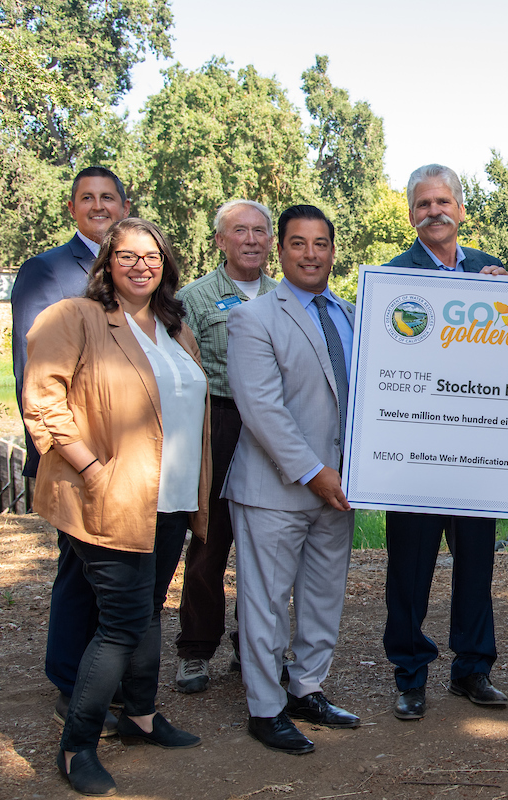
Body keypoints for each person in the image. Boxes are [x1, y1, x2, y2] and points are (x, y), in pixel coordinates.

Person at [23, 218, 209, 796]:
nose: (140, 265)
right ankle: (77, 744)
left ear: (165, 264)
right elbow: (43, 394)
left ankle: (140, 715)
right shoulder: (75, 317)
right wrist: (89, 466)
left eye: (151, 256)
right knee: (122, 623)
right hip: (109, 497)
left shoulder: (175, 327)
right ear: (107, 263)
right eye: (126, 255)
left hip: (171, 498)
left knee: (149, 608)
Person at [224, 205, 360, 755]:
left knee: (325, 596)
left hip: (342, 487)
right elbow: (261, 408)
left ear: (332, 250)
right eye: (299, 243)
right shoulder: (253, 318)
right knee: (266, 602)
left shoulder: (353, 315)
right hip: (275, 488)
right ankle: (265, 707)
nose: (310, 254)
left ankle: (307, 688)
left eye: (321, 243)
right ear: (280, 251)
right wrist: (314, 472)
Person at [383, 164, 508, 721]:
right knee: (409, 569)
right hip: (416, 449)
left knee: (476, 563)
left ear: (460, 208)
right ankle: (410, 673)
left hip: (478, 448)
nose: (434, 211)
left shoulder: (494, 273)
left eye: (443, 201)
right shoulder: (391, 279)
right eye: (422, 203)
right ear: (412, 214)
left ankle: (473, 670)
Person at [11, 166, 131, 735]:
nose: (99, 206)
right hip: (76, 453)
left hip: (127, 456)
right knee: (79, 570)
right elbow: (31, 376)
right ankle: (68, 683)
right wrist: (67, 455)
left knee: (115, 573)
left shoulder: (133, 270)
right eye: (88, 198)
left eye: (108, 197)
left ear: (124, 205)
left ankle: (107, 679)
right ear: (72, 208)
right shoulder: (48, 272)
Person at [173, 200, 279, 694]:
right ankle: (195, 650)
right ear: (220, 240)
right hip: (218, 421)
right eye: (240, 231)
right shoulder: (192, 300)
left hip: (272, 429)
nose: (252, 240)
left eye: (260, 231)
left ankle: (256, 646)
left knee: (266, 548)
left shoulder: (287, 298)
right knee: (210, 545)